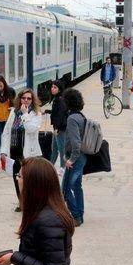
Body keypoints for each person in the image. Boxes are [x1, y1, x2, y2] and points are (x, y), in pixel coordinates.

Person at [0, 88, 43, 210]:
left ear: (32, 100)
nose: (26, 100)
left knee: (29, 179)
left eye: (29, 98)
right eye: (24, 98)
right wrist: (3, 151)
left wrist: (25, 114)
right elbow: (6, 132)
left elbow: (31, 129)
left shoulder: (36, 114)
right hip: (14, 150)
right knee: (16, 177)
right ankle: (21, 201)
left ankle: (30, 203)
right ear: (19, 99)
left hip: (28, 153)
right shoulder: (14, 112)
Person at [61, 89, 87, 227]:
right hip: (83, 157)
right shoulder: (81, 116)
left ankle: (76, 216)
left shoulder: (71, 118)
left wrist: (71, 159)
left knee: (64, 189)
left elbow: (76, 143)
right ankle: (80, 215)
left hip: (76, 159)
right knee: (77, 187)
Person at [47, 80, 68, 172]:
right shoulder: (57, 99)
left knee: (61, 149)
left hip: (60, 129)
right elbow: (56, 112)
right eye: (52, 87)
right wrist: (47, 111)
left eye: (55, 87)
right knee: (54, 149)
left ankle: (63, 168)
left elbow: (61, 115)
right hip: (57, 128)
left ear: (59, 89)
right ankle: (50, 166)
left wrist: (57, 128)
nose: (52, 89)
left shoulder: (60, 100)